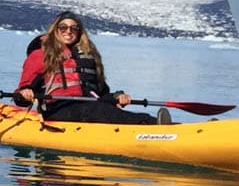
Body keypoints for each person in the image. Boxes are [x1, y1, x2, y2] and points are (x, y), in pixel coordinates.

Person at [12, 12, 169, 125]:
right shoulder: (40, 55)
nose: (69, 31)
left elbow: (101, 94)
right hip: (57, 110)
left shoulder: (88, 56)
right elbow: (22, 94)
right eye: (63, 27)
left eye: (74, 28)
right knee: (98, 111)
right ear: (55, 30)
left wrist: (117, 96)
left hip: (89, 106)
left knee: (103, 109)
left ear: (79, 32)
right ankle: (154, 126)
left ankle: (158, 125)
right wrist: (25, 93)